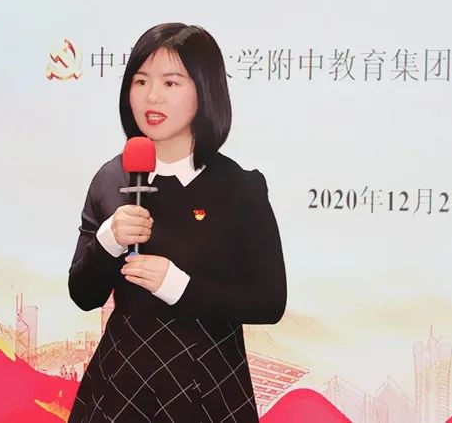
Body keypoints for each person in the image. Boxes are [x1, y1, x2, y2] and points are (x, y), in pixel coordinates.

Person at [68, 23, 287, 423]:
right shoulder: (111, 178)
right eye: (141, 81)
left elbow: (269, 301)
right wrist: (108, 241)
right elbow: (83, 294)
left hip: (207, 385)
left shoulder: (239, 187)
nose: (152, 96)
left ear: (205, 90)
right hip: (122, 386)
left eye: (170, 83)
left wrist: (179, 287)